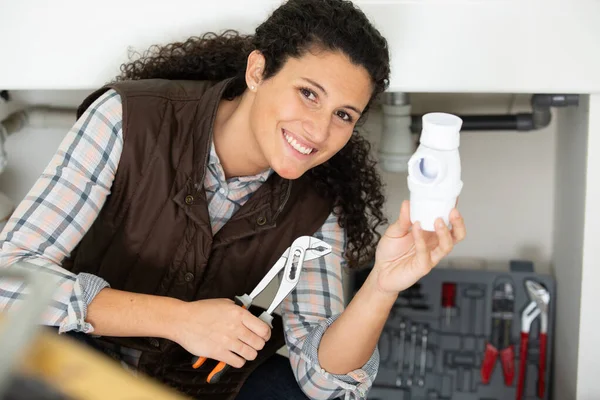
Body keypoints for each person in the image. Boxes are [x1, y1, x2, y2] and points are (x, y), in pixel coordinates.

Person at [0, 0, 466, 399]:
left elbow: (324, 383)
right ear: (258, 70)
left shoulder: (322, 201)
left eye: (343, 115)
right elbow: (9, 280)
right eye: (308, 94)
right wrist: (179, 320)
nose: (320, 131)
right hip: (73, 367)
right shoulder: (125, 119)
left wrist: (382, 285)